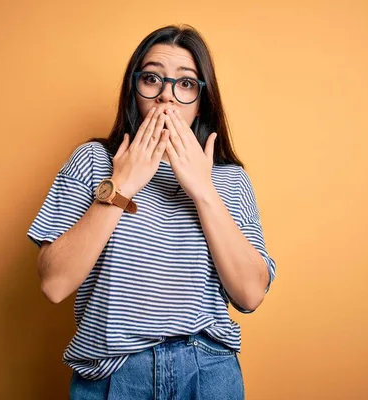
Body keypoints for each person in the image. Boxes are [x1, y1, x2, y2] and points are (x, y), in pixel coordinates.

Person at [27, 24, 276, 400]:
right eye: (152, 79)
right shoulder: (94, 162)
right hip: (114, 373)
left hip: (207, 371)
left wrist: (203, 190)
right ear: (134, 89)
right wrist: (122, 184)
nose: (166, 97)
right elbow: (54, 284)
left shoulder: (229, 179)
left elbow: (251, 294)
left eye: (186, 84)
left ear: (202, 100)